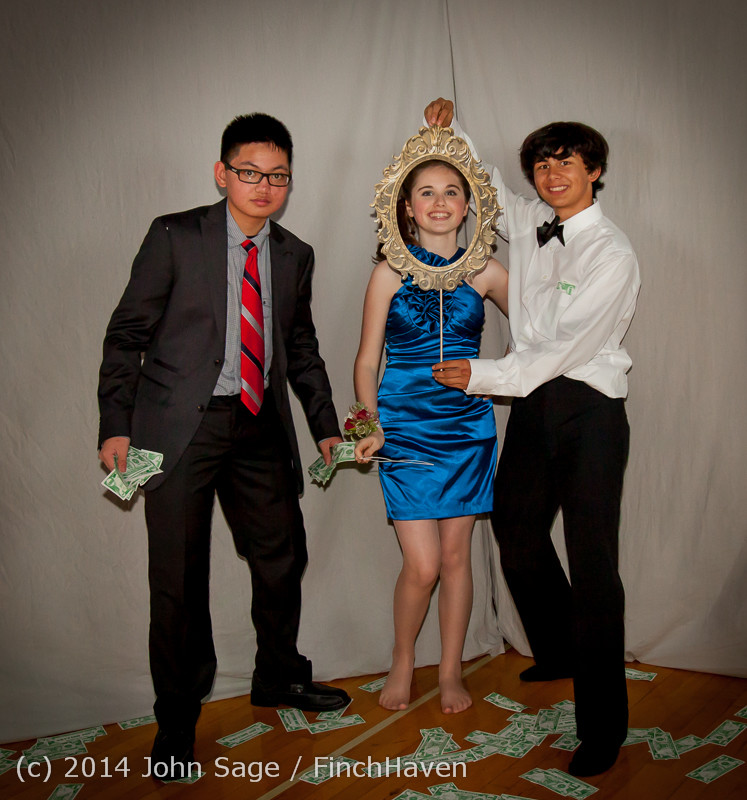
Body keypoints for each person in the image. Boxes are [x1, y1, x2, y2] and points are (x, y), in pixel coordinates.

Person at [97, 113, 349, 780]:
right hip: (178, 429)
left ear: (289, 182)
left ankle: (277, 674)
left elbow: (300, 348)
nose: (264, 186)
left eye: (277, 176)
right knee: (177, 579)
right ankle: (177, 721)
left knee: (282, 555)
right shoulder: (175, 236)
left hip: (259, 425)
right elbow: (126, 335)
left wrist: (325, 425)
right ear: (222, 173)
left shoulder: (294, 254)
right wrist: (115, 425)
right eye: (249, 172)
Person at [424, 98, 640, 776]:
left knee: (593, 567)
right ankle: (560, 648)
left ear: (593, 170)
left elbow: (566, 349)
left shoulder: (612, 253)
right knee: (514, 531)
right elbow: (484, 182)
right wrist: (447, 133)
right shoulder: (530, 221)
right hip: (533, 404)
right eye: (542, 165)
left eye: (565, 163)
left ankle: (602, 728)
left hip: (589, 409)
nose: (552, 175)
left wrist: (482, 375)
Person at [353, 157, 508, 714]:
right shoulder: (387, 273)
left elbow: (542, 336)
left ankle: (449, 671)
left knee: (456, 557)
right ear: (407, 207)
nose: (439, 202)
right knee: (422, 566)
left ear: (468, 207)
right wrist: (370, 424)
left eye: (451, 192)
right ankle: (402, 659)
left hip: (466, 429)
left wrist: (494, 375)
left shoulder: (487, 271)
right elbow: (367, 361)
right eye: (426, 192)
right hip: (403, 429)